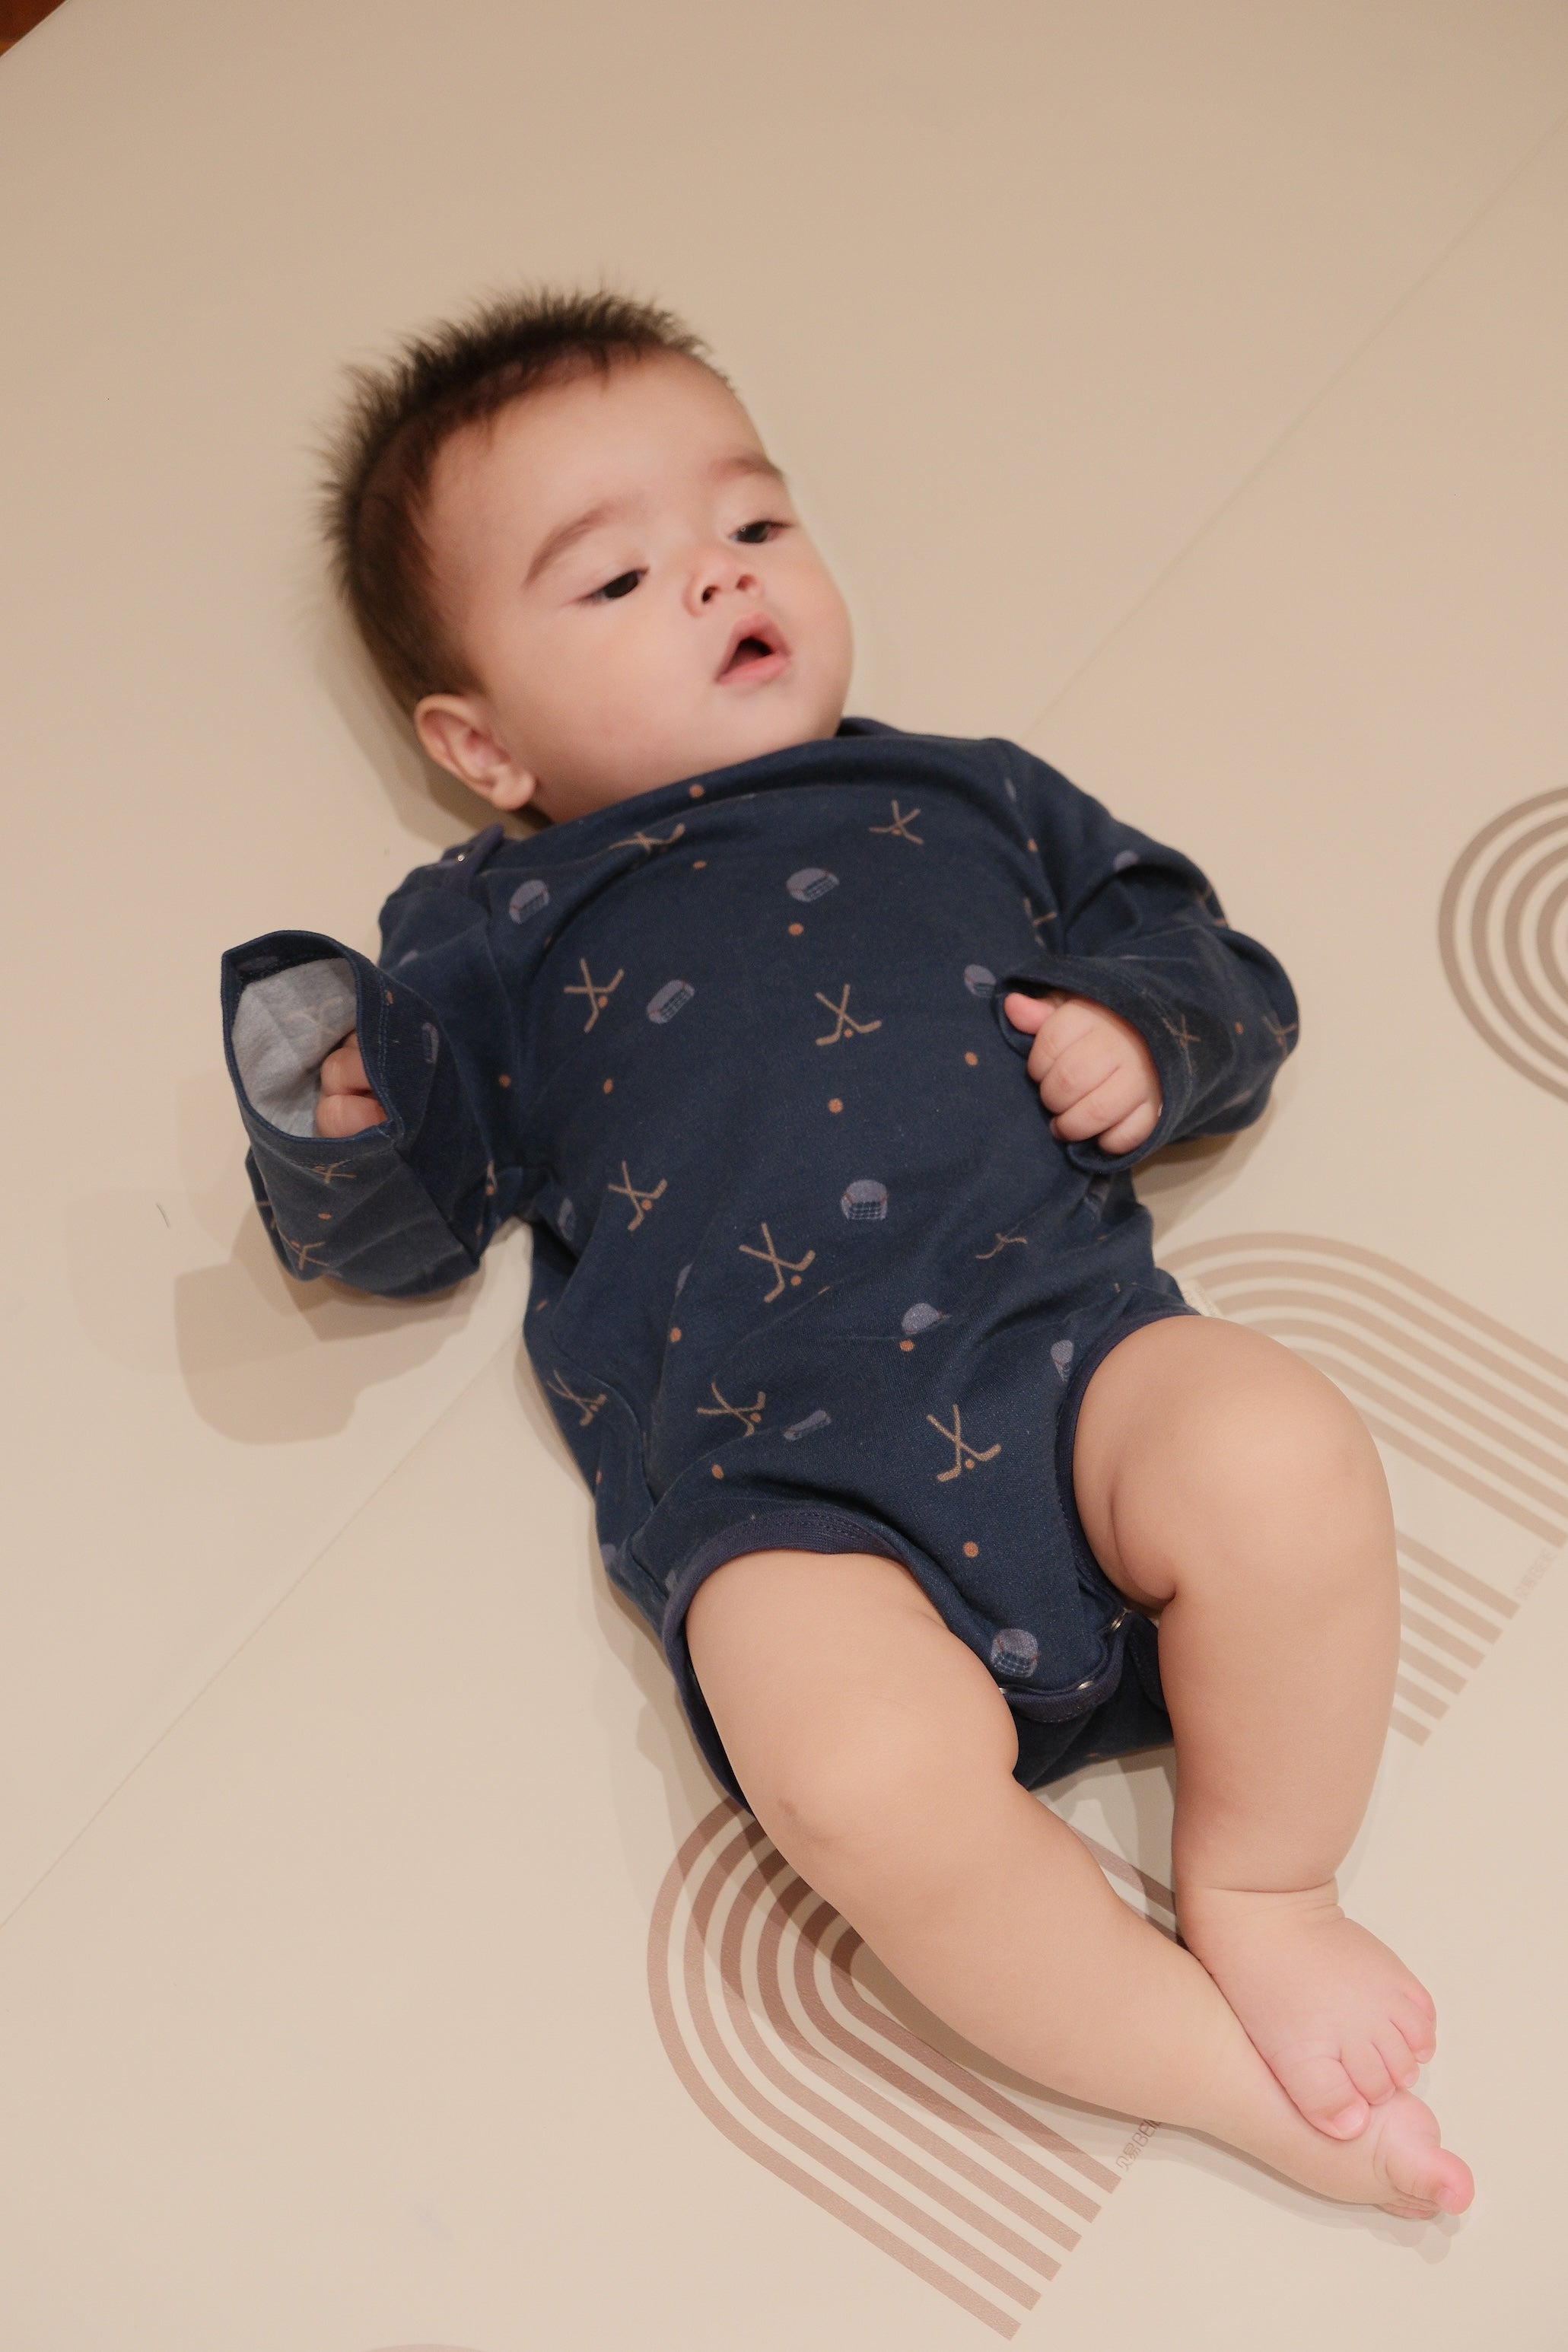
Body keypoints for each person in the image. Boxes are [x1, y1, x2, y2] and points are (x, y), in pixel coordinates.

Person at [220, 289, 1472, 2218]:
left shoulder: (964, 789)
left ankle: (1262, 1884)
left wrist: (1150, 1033)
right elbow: (396, 1229)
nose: (719, 575)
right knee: (852, 1779)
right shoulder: (487, 934)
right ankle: (1200, 2067)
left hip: (1070, 1356)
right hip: (779, 1485)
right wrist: (345, 1109)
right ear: (478, 741)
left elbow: (1200, 949)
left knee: (1280, 1453)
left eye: (752, 521)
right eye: (617, 575)